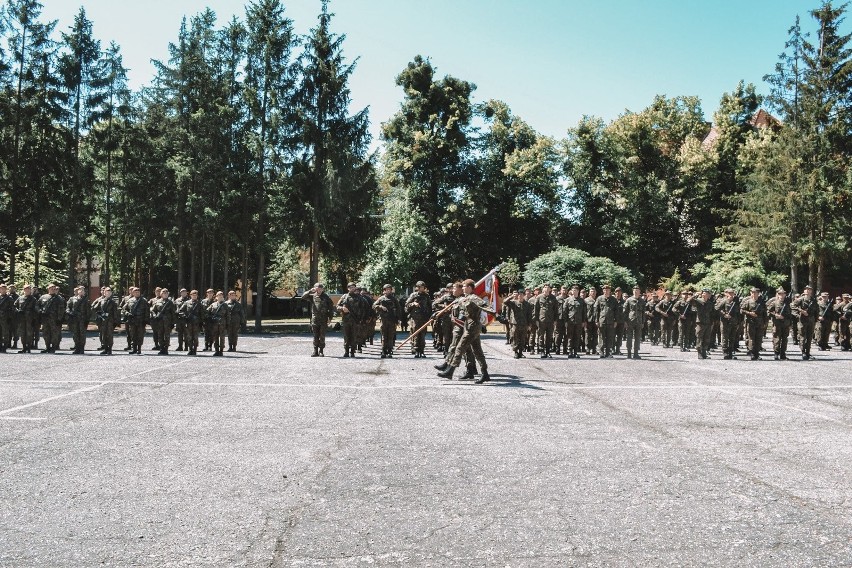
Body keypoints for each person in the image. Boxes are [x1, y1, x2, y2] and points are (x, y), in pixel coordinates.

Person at [437, 279, 505, 383]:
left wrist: (496, 315)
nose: (462, 288)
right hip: (468, 326)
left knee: (460, 347)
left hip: (473, 326)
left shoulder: (474, 298)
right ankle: (485, 374)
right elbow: (454, 306)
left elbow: (485, 307)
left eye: (464, 286)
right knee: (477, 351)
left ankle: (450, 371)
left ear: (469, 287)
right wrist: (437, 313)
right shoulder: (465, 298)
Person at [301, 283, 334, 357]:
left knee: (322, 335)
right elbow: (303, 297)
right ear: (314, 288)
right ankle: (315, 351)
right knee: (315, 335)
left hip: (323, 319)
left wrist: (330, 318)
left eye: (320, 288)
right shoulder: (312, 296)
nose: (318, 289)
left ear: (322, 289)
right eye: (317, 288)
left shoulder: (326, 297)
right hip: (315, 319)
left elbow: (331, 308)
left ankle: (321, 351)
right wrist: (310, 291)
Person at [405, 281, 432, 358]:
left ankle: (422, 351)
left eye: (422, 287)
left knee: (423, 335)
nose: (421, 289)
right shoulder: (413, 295)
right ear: (417, 287)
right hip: (415, 319)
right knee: (416, 334)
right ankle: (416, 350)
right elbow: (406, 305)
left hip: (424, 319)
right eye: (419, 287)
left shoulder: (426, 296)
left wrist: (429, 317)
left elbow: (430, 307)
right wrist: (413, 304)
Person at [373, 284, 400, 358]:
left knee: (391, 336)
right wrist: (380, 307)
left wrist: (398, 319)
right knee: (384, 336)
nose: (388, 291)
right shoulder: (381, 299)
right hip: (384, 320)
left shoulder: (394, 299)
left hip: (392, 320)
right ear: (384, 291)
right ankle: (383, 350)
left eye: (389, 289)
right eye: (387, 289)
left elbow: (398, 310)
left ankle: (390, 350)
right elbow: (374, 306)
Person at [740, 287, 767, 360]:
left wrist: (765, 322)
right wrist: (750, 313)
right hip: (751, 322)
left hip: (760, 323)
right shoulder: (748, 302)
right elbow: (742, 310)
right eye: (752, 292)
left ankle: (757, 353)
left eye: (755, 293)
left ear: (758, 294)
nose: (754, 294)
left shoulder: (762, 302)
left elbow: (765, 313)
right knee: (751, 338)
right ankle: (751, 352)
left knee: (758, 339)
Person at [792, 285, 818, 360]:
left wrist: (816, 319)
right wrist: (801, 311)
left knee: (809, 337)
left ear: (811, 291)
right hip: (803, 320)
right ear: (804, 291)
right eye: (806, 289)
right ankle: (803, 352)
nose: (807, 291)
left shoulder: (813, 300)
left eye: (809, 289)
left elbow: (816, 310)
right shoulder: (800, 299)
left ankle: (808, 352)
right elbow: (792, 306)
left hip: (811, 320)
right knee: (803, 336)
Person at [36, 284, 64, 353]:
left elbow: (61, 309)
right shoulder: (43, 297)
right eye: (51, 288)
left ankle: (53, 347)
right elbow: (37, 305)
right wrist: (40, 311)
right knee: (45, 333)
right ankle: (47, 347)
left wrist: (59, 319)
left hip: (54, 319)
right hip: (45, 319)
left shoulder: (58, 298)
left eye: (54, 289)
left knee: (54, 334)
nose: (53, 290)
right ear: (48, 289)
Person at [336, 283, 362, 358]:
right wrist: (342, 308)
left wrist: (361, 319)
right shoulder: (344, 297)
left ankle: (353, 352)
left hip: (355, 320)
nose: (352, 289)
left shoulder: (359, 298)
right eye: (351, 287)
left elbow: (363, 309)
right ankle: (346, 351)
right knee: (346, 336)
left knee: (354, 336)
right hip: (346, 320)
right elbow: (337, 306)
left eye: (353, 287)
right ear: (348, 288)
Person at [766, 287, 792, 360]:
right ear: (778, 294)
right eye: (780, 294)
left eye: (783, 294)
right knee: (776, 338)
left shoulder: (788, 303)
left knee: (784, 339)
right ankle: (776, 353)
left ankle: (783, 354)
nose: (781, 295)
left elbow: (790, 314)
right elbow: (768, 312)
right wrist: (776, 315)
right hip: (777, 324)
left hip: (785, 324)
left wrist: (788, 322)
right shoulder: (774, 303)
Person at [716, 288, 741, 360]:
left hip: (733, 323)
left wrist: (738, 322)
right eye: (729, 293)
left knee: (732, 338)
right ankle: (725, 353)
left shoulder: (736, 302)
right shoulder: (723, 301)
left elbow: (738, 313)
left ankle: (730, 353)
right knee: (725, 338)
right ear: (726, 294)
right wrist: (724, 314)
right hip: (725, 323)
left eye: (732, 293)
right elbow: (717, 309)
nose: (731, 295)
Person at [65, 285, 91, 354]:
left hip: (82, 320)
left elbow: (88, 311)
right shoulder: (72, 299)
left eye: (83, 290)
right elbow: (68, 307)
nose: (81, 291)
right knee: (75, 334)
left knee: (82, 335)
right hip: (74, 319)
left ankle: (81, 348)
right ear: (78, 291)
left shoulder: (86, 300)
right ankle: (77, 347)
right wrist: (70, 313)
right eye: (80, 290)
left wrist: (87, 320)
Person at [535, 283, 558, 358]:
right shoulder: (539, 297)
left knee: (549, 337)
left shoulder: (553, 298)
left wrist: (555, 320)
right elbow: (536, 309)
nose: (546, 288)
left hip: (550, 320)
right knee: (541, 336)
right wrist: (536, 320)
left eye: (548, 287)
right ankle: (542, 351)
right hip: (542, 320)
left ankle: (548, 351)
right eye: (545, 287)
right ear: (543, 289)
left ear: (550, 289)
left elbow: (556, 310)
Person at [595, 284, 618, 358]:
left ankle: (608, 352)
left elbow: (616, 311)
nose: (606, 291)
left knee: (610, 337)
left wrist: (616, 321)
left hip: (611, 321)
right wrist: (596, 320)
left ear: (610, 291)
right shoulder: (599, 298)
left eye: (607, 290)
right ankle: (601, 352)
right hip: (602, 320)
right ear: (603, 291)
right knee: (601, 337)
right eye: (605, 290)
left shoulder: (613, 299)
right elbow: (596, 310)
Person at [503, 290, 528, 359]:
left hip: (524, 324)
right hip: (515, 324)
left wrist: (529, 324)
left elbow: (529, 315)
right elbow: (505, 302)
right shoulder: (514, 303)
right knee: (515, 338)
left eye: (521, 295)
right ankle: (516, 352)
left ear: (524, 295)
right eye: (519, 295)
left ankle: (521, 352)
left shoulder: (527, 304)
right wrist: (512, 296)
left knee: (522, 339)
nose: (520, 296)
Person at [123, 288, 149, 355]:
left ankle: (139, 349)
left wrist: (146, 320)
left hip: (141, 320)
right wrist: (128, 314)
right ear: (133, 293)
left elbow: (147, 311)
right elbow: (124, 309)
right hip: (133, 321)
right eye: (135, 292)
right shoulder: (130, 301)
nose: (137, 293)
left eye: (138, 292)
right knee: (133, 335)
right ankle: (134, 349)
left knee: (140, 335)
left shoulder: (144, 301)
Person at [151, 288, 176, 355]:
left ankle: (166, 348)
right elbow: (153, 310)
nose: (165, 294)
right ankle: (161, 348)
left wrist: (173, 323)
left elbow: (173, 313)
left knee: (167, 335)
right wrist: (155, 315)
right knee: (160, 335)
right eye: (164, 293)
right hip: (159, 322)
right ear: (161, 294)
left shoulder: (170, 302)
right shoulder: (157, 302)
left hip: (167, 322)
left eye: (166, 293)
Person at [623, 285, 646, 359]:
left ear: (639, 292)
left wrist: (643, 322)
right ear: (633, 291)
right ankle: (629, 353)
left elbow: (643, 312)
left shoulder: (642, 301)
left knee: (637, 338)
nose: (636, 292)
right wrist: (625, 321)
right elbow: (625, 311)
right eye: (634, 290)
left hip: (639, 321)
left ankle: (636, 353)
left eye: (637, 290)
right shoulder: (629, 300)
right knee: (629, 337)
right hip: (630, 321)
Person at [95, 286, 120, 355]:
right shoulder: (101, 301)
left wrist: (115, 322)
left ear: (111, 293)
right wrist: (99, 313)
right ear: (104, 293)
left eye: (109, 292)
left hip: (110, 321)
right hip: (103, 321)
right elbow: (94, 308)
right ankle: (105, 348)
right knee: (104, 335)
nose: (108, 293)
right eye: (106, 292)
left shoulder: (113, 302)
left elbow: (116, 312)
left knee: (110, 335)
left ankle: (110, 349)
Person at [564, 285, 586, 358]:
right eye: (573, 290)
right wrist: (566, 321)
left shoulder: (582, 301)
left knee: (577, 337)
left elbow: (584, 312)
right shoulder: (567, 300)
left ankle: (576, 351)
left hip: (579, 322)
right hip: (570, 321)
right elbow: (565, 311)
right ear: (571, 291)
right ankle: (570, 351)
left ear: (578, 291)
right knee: (570, 336)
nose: (574, 292)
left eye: (576, 290)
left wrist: (583, 321)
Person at [14, 284, 37, 354]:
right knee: (22, 333)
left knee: (29, 333)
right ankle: (24, 347)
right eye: (25, 289)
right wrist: (18, 311)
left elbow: (36, 309)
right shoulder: (20, 298)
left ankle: (29, 347)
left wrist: (34, 319)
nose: (27, 290)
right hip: (21, 319)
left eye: (28, 289)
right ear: (23, 290)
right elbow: (14, 306)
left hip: (29, 319)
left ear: (30, 290)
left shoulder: (33, 299)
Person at [178, 289, 202, 356]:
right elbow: (180, 311)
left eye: (195, 295)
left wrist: (200, 322)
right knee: (189, 337)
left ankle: (195, 349)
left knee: (195, 337)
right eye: (193, 295)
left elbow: (202, 314)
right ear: (190, 295)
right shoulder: (187, 303)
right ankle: (190, 349)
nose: (194, 296)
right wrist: (185, 316)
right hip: (189, 322)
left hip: (196, 323)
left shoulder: (199, 304)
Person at [206, 291, 230, 356]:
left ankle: (221, 350)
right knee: (215, 337)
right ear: (216, 297)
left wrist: (228, 324)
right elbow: (207, 312)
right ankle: (216, 350)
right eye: (219, 296)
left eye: (221, 296)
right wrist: (211, 318)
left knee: (222, 337)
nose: (220, 297)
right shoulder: (213, 305)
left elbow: (228, 315)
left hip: (222, 323)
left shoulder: (225, 305)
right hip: (214, 324)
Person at [584, 287, 599, 355]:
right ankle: (587, 348)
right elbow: (584, 311)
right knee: (588, 335)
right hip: (588, 320)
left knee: (595, 335)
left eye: (594, 291)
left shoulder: (598, 300)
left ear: (596, 293)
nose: (593, 293)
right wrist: (584, 321)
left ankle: (594, 349)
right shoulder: (586, 300)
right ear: (589, 293)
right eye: (591, 291)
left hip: (596, 320)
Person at [0, 284, 12, 353]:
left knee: (5, 333)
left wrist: (9, 317)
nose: (2, 290)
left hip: (5, 318)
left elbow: (12, 308)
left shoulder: (9, 298)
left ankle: (5, 346)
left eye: (4, 288)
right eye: (1, 288)